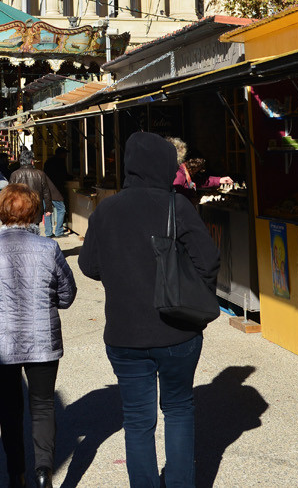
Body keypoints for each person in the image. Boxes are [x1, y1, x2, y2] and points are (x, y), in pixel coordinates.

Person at [79, 133, 220, 488]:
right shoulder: (178, 206)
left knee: (137, 420)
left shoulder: (106, 209)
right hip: (177, 329)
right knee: (178, 409)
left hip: (125, 332)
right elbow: (209, 259)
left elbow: (89, 266)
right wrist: (190, 286)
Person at [0, 184, 77, 488]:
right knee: (43, 404)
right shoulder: (48, 249)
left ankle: (16, 472)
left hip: (1, 342)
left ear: (0, 211)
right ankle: (44, 471)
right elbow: (67, 295)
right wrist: (43, 302)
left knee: (9, 405)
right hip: (42, 339)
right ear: (34, 212)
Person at [9, 163, 64, 237]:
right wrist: (48, 208)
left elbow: (9, 193)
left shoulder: (14, 174)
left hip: (20, 208)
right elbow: (46, 192)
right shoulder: (39, 174)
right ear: (32, 161)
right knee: (34, 231)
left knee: (22, 231)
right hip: (36, 207)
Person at [43, 148, 71, 237]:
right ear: (61, 154)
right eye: (65, 154)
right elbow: (64, 175)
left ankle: (48, 233)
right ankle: (59, 231)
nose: (66, 156)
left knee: (47, 211)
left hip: (46, 190)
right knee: (61, 210)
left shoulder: (48, 162)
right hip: (56, 191)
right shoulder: (60, 162)